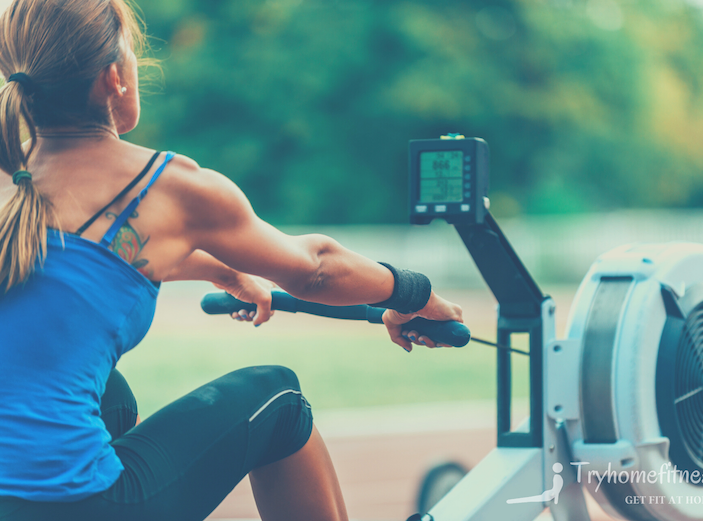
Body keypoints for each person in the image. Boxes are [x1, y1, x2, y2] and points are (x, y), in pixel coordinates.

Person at [0, 1, 463, 521]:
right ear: (115, 78)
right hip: (76, 504)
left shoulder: (12, 190)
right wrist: (415, 296)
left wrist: (224, 271)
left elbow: (79, 267)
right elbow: (315, 268)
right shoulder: (160, 187)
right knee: (279, 399)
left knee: (113, 398)